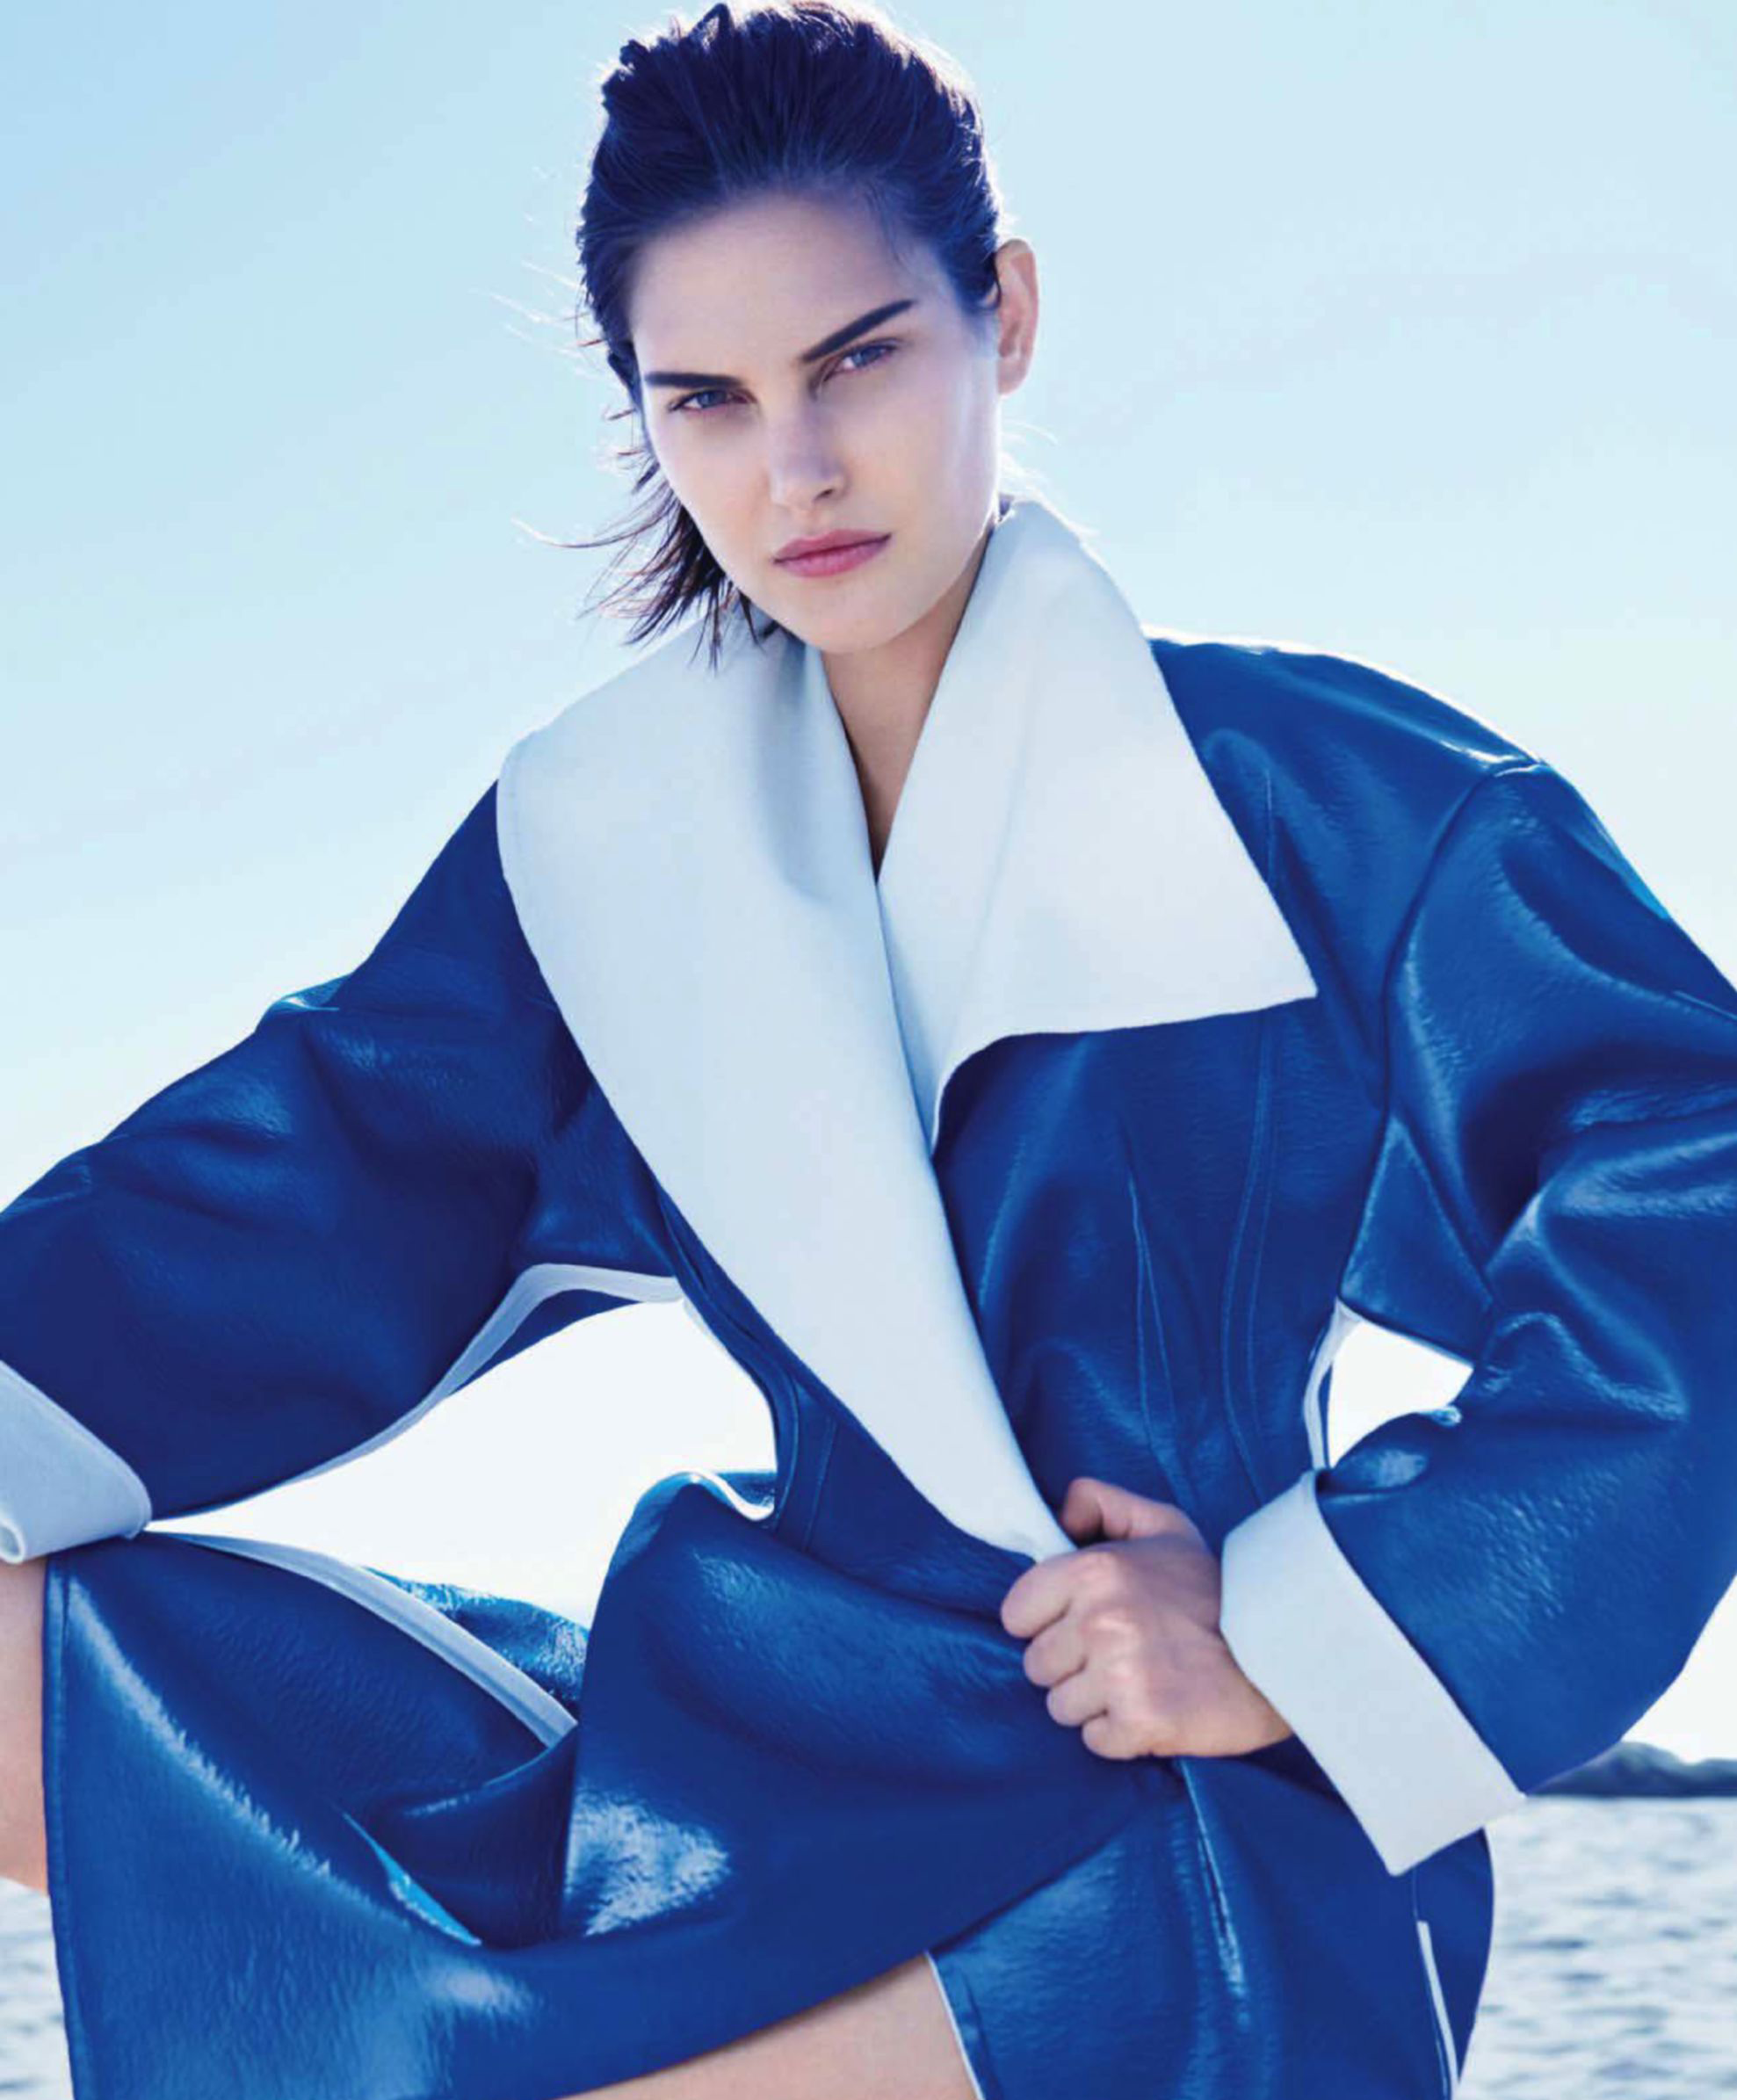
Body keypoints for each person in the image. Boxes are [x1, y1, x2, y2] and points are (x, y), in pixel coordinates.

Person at [4, 3, 1736, 2095]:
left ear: (1004, 316)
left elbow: (1694, 1173)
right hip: (748, 1744)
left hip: (1151, 1788)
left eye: (857, 362)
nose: (796, 469)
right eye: (709, 401)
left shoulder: (1311, 797)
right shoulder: (607, 852)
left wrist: (1305, 1622)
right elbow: (282, 1201)